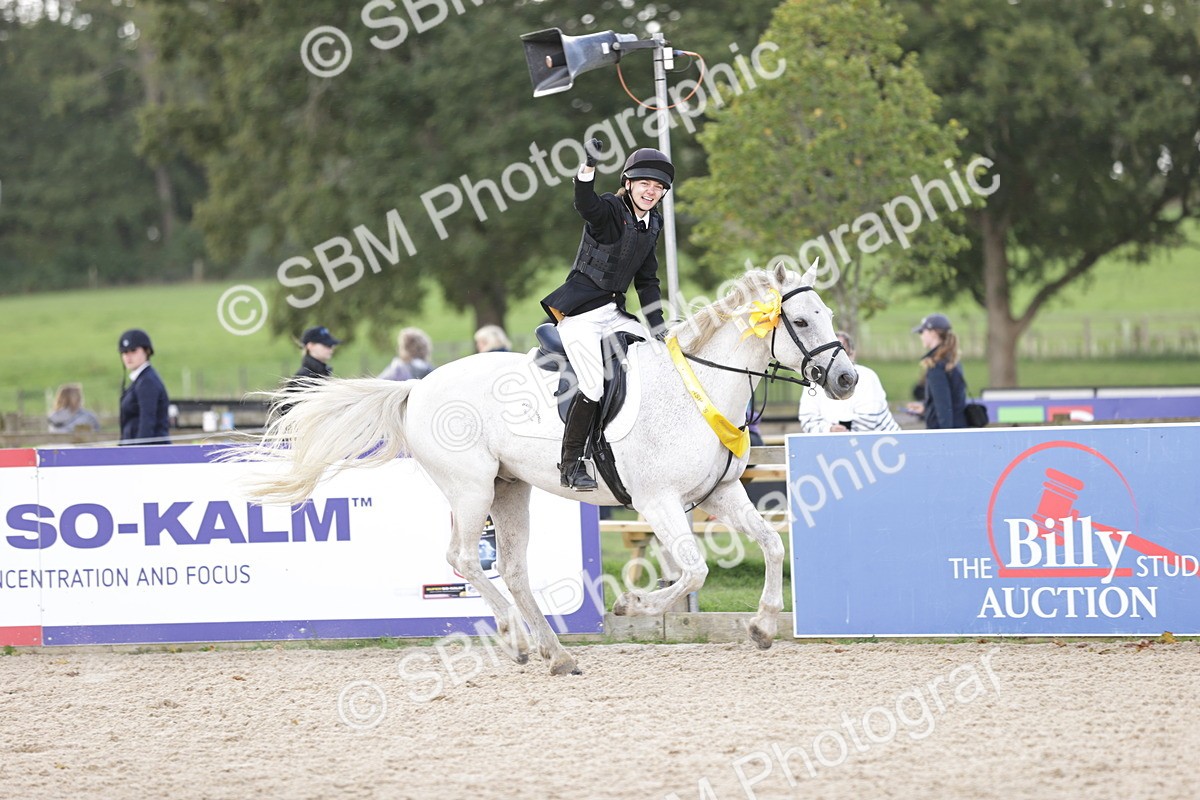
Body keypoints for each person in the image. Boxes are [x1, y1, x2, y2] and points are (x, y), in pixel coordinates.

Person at [540, 138, 672, 491]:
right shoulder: (612, 210)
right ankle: (571, 464)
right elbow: (586, 205)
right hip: (580, 315)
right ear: (628, 183)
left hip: (614, 313)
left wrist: (658, 326)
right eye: (644, 183)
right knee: (593, 384)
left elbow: (647, 281)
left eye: (658, 187)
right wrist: (588, 168)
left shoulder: (653, 224)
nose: (651, 191)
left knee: (659, 358)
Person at [798, 331, 900, 433]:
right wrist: (829, 429)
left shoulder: (867, 376)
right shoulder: (814, 381)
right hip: (833, 442)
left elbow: (869, 420)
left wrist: (844, 435)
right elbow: (807, 419)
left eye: (843, 353)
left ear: (852, 354)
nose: (836, 360)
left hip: (885, 442)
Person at [906, 313, 968, 428]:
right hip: (959, 428)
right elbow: (948, 400)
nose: (921, 336)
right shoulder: (951, 360)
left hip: (944, 434)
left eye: (922, 332)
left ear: (933, 333)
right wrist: (926, 407)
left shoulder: (936, 365)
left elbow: (944, 407)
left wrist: (944, 438)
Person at [118, 329, 170, 445]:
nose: (128, 356)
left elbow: (147, 421)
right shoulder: (139, 380)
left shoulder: (147, 382)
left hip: (150, 453)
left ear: (146, 351)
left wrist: (140, 453)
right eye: (125, 352)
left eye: (133, 351)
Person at [278, 326, 341, 415]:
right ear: (310, 346)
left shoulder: (320, 373)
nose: (331, 348)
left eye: (331, 345)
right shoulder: (304, 378)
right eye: (326, 345)